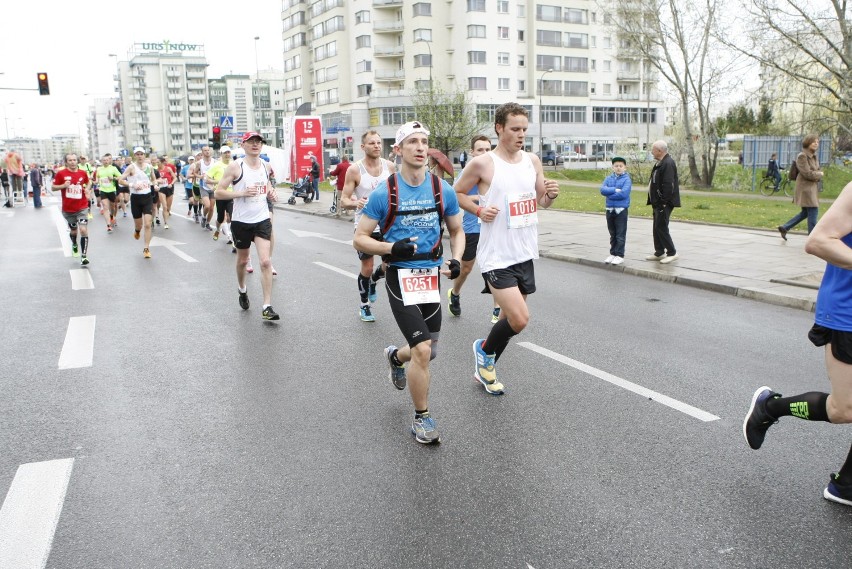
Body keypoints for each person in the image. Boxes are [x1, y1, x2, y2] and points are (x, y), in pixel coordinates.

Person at [353, 121, 464, 444]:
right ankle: (422, 418)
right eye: (412, 141)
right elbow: (360, 239)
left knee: (431, 351)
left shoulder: (441, 189)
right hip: (400, 275)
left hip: (430, 277)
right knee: (422, 349)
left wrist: (456, 259)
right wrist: (391, 248)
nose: (420, 147)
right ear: (398, 150)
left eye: (424, 142)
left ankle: (394, 357)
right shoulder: (384, 193)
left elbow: (457, 230)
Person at [744, 180, 852, 507]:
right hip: (847, 314)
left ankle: (845, 486)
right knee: (843, 409)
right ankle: (770, 407)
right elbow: (818, 241)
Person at [454, 102, 561, 395]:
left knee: (507, 320)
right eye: (515, 129)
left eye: (524, 129)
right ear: (499, 128)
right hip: (496, 255)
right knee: (520, 319)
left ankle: (485, 363)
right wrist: (478, 211)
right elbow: (457, 193)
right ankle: (484, 354)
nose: (521, 134)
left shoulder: (532, 161)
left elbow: (542, 200)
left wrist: (551, 194)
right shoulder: (483, 164)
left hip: (524, 252)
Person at [213, 132, 280, 321]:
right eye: (251, 142)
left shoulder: (266, 166)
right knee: (242, 261)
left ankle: (267, 306)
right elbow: (218, 192)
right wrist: (241, 193)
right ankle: (242, 289)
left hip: (261, 219)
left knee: (265, 261)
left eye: (258, 142)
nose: (255, 145)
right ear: (243, 145)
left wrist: (271, 193)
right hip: (241, 221)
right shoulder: (236, 167)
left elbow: (265, 185)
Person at [341, 130, 397, 322]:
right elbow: (344, 200)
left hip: (387, 225)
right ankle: (364, 305)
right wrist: (355, 203)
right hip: (365, 226)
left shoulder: (390, 167)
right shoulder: (355, 170)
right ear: (363, 147)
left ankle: (374, 281)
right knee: (367, 265)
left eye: (379, 143)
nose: (376, 146)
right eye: (372, 143)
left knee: (390, 265)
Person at [447, 135, 501, 322]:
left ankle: (497, 309)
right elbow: (454, 197)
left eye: (488, 149)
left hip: (494, 226)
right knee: (467, 268)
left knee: (496, 267)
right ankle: (454, 293)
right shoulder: (468, 172)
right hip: (472, 227)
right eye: (480, 150)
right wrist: (478, 200)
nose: (484, 153)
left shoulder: (496, 170)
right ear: (472, 152)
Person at [777, 135, 824, 240]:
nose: (816, 143)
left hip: (811, 188)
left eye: (817, 142)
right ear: (807, 143)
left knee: (805, 213)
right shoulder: (802, 156)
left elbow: (815, 171)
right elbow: (807, 173)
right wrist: (820, 174)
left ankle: (785, 227)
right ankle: (813, 238)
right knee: (813, 210)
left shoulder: (814, 156)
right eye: (813, 142)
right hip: (806, 189)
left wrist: (817, 173)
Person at [52, 153, 93, 265]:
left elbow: (89, 182)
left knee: (83, 230)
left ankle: (84, 256)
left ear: (77, 161)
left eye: (74, 160)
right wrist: (63, 186)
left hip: (82, 207)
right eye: (70, 160)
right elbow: (53, 187)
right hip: (68, 209)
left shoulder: (82, 173)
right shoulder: (61, 174)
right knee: (73, 231)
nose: (73, 162)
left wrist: (88, 189)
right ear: (66, 162)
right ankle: (74, 244)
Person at [645, 140, 681, 264]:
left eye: (653, 149)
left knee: (661, 226)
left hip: (664, 202)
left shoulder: (668, 163)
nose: (651, 151)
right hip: (657, 201)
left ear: (660, 151)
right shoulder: (661, 162)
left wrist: (664, 202)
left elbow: (668, 184)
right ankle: (659, 252)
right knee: (657, 227)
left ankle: (672, 252)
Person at [119, 147, 157, 258]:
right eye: (137, 154)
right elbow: (121, 180)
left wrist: (155, 185)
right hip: (135, 198)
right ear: (135, 156)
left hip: (147, 198)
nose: (140, 156)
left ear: (144, 155)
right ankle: (137, 230)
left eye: (142, 154)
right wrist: (132, 185)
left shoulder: (149, 167)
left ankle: (146, 248)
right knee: (139, 225)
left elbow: (154, 179)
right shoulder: (131, 167)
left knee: (148, 224)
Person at [600, 156, 632, 265]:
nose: (618, 168)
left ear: (625, 167)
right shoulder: (608, 178)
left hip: (621, 210)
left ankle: (620, 255)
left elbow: (624, 193)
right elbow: (602, 190)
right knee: (612, 233)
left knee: (620, 233)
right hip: (610, 209)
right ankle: (613, 253)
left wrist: (610, 195)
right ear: (613, 167)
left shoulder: (626, 179)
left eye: (621, 166)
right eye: (616, 166)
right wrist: (614, 190)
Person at [206, 146, 234, 244]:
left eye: (228, 153)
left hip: (231, 195)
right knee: (221, 218)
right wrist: (217, 182)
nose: (227, 155)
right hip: (221, 195)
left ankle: (231, 238)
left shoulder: (234, 165)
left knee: (232, 216)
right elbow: (207, 179)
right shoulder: (217, 165)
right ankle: (218, 229)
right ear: (221, 154)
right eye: (225, 153)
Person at [94, 154, 122, 232]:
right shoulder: (99, 169)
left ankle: (112, 216)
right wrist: (94, 182)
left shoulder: (113, 168)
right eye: (104, 160)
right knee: (105, 207)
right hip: (103, 190)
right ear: (102, 161)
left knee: (112, 207)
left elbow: (121, 177)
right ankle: (108, 225)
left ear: (109, 161)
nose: (105, 161)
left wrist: (113, 178)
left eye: (107, 160)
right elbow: (97, 179)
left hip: (112, 190)